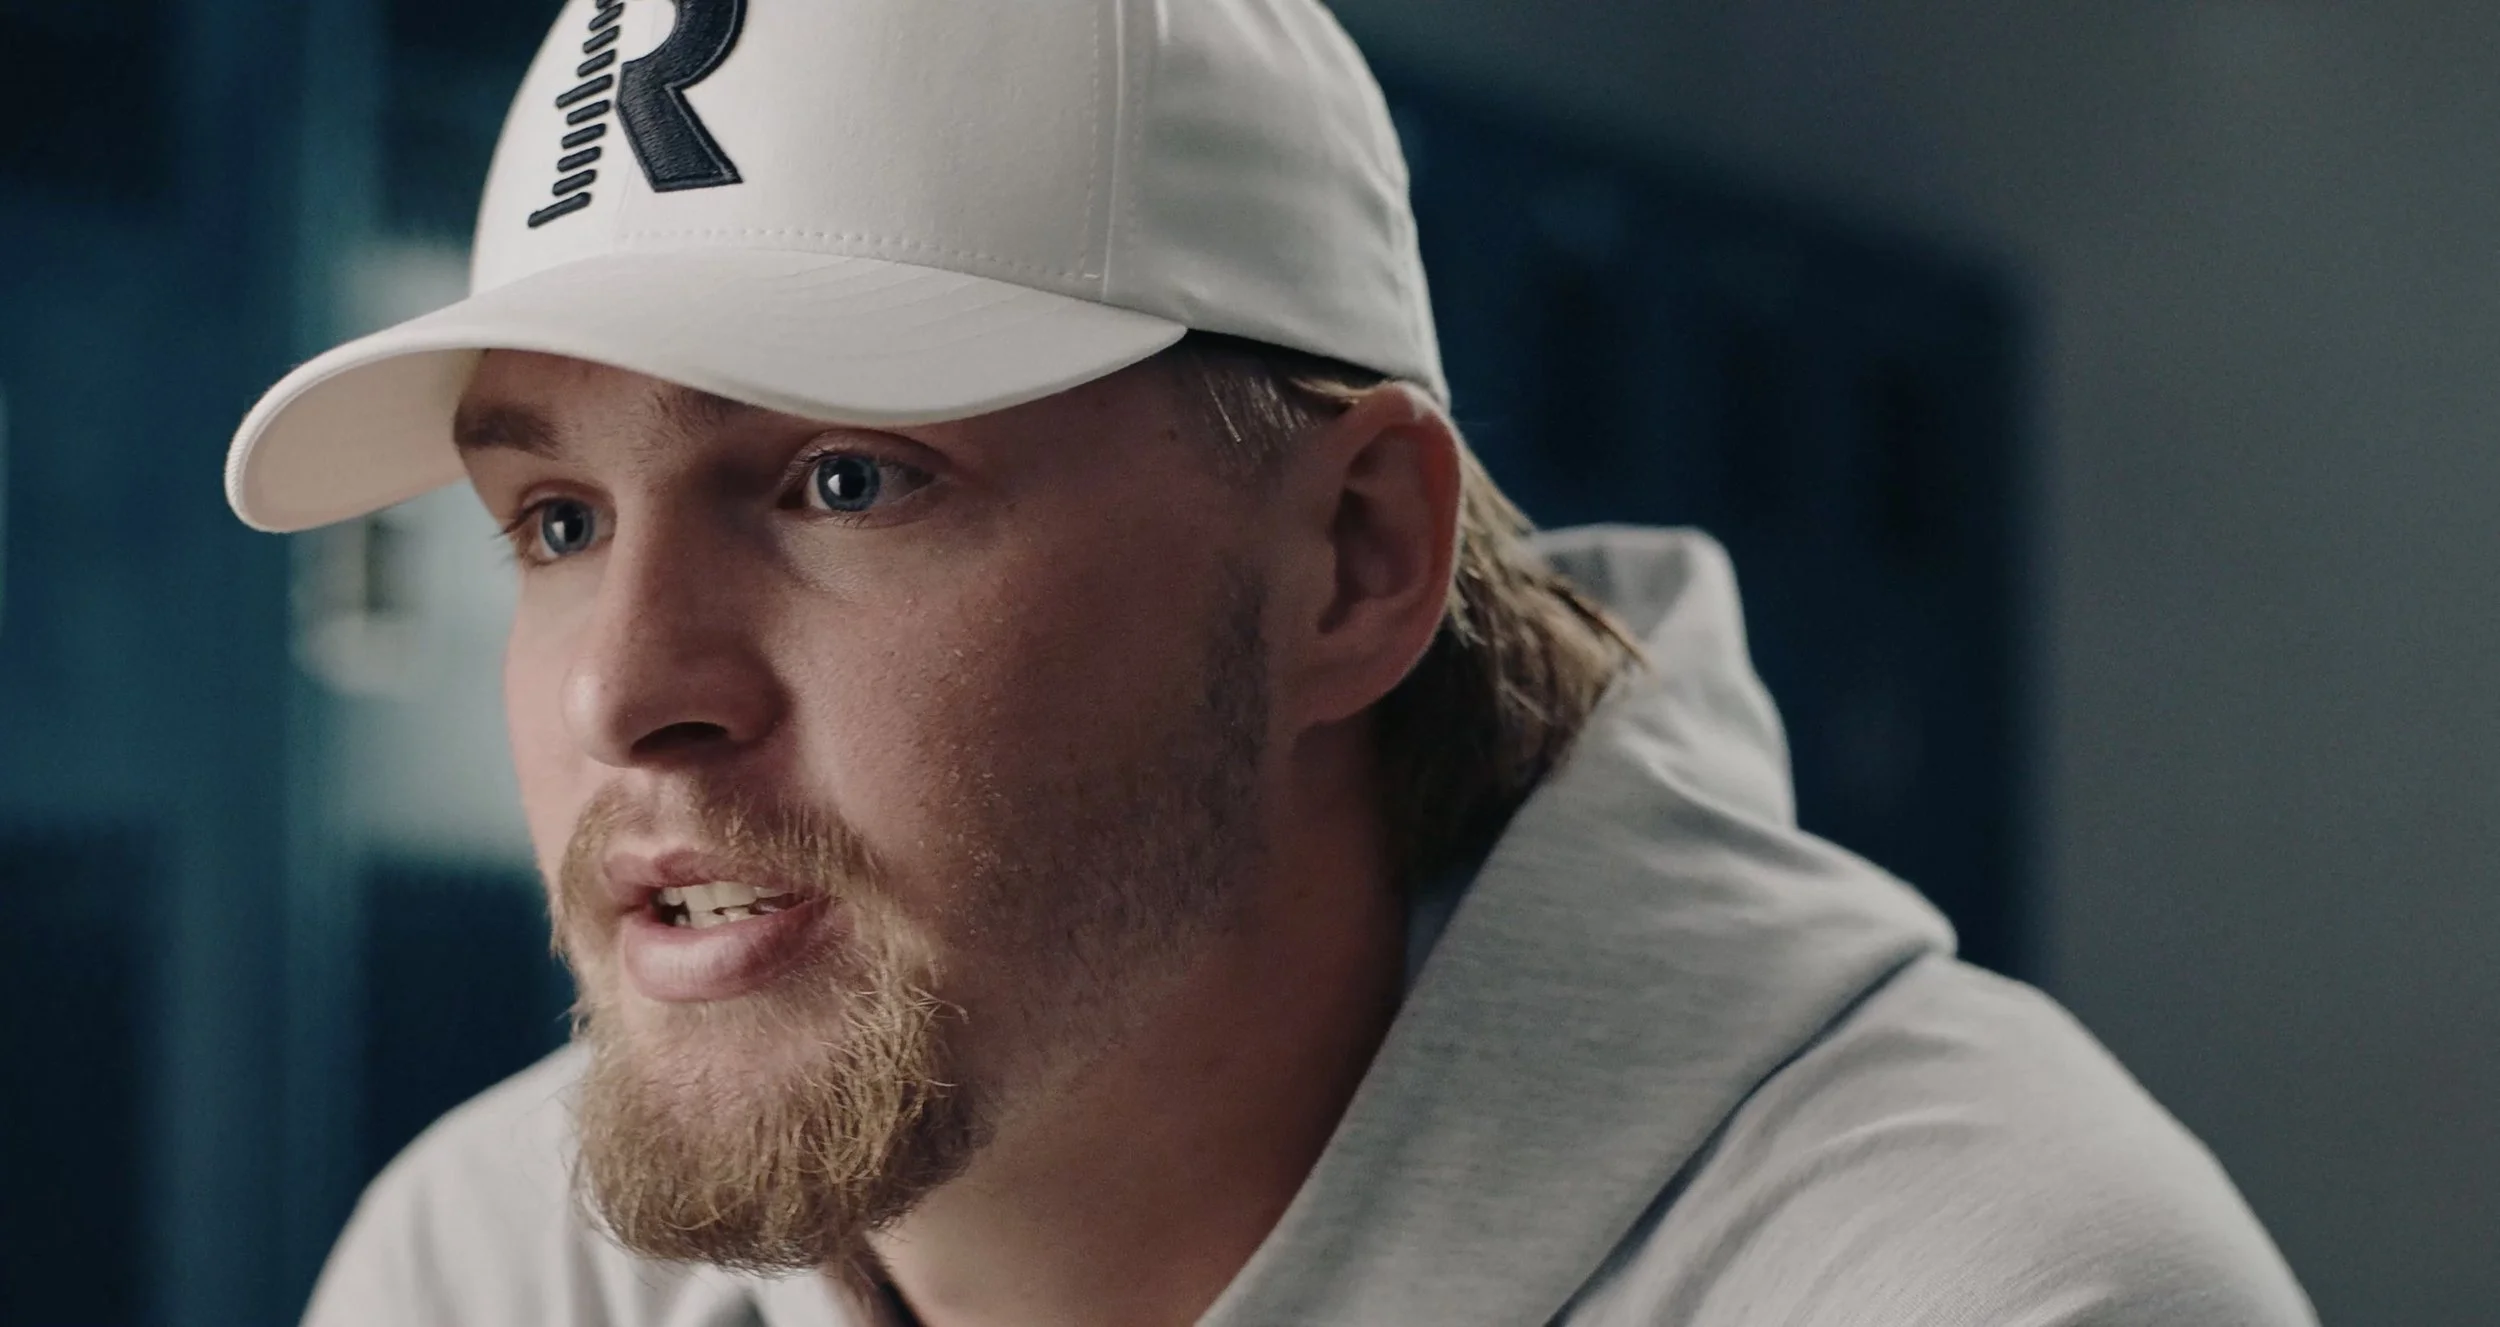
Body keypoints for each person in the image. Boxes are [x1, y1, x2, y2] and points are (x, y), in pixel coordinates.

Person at [223, 1, 2316, 1324]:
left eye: (848, 480)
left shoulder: (1987, 1285)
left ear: (1351, 558)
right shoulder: (490, 1266)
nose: (624, 693)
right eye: (555, 523)